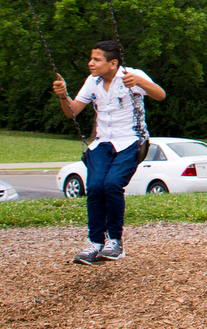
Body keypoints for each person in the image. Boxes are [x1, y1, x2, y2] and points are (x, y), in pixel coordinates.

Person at [51, 40, 166, 265]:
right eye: (91, 58)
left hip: (131, 141)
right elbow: (72, 111)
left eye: (96, 59)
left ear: (112, 63)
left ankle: (115, 241)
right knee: (94, 187)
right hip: (102, 142)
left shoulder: (131, 75)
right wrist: (63, 95)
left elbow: (160, 95)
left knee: (112, 184)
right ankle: (95, 243)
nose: (90, 63)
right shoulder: (92, 82)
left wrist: (140, 82)